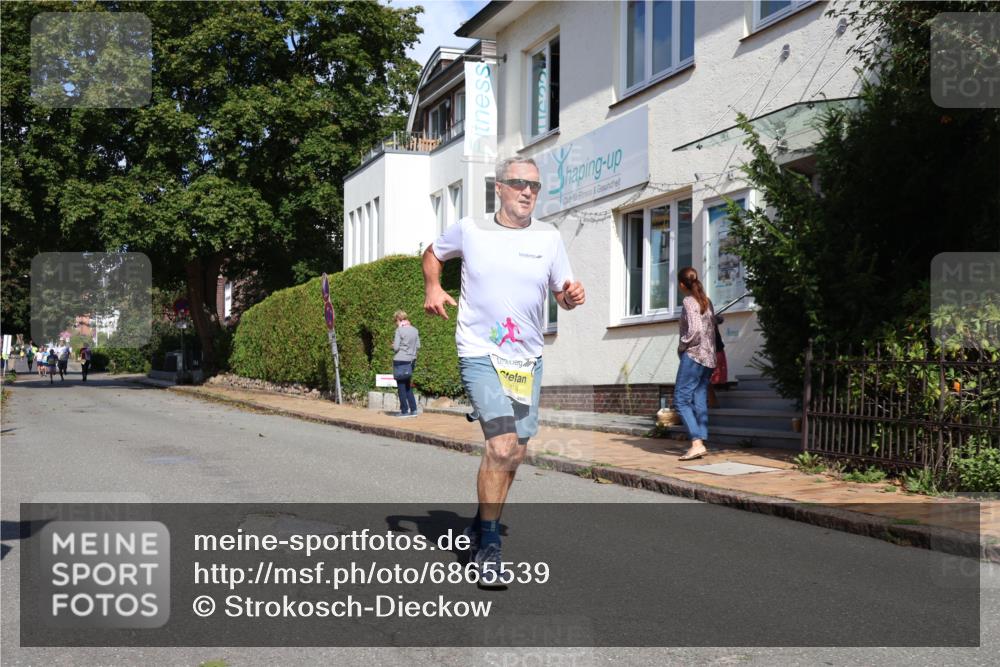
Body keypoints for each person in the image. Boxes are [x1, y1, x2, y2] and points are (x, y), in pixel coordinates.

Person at [423, 156, 585, 586]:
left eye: (534, 185)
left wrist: (571, 296)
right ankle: (489, 548)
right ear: (499, 187)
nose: (527, 191)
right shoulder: (471, 229)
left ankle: (480, 525)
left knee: (515, 452)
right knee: (501, 445)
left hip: (527, 361)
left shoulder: (549, 238)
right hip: (480, 354)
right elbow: (433, 254)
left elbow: (562, 293)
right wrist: (433, 285)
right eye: (518, 183)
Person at [674, 267, 718, 461]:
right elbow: (713, 324)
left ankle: (696, 442)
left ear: (682, 284)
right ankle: (701, 439)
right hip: (709, 358)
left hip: (694, 356)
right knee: (699, 396)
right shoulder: (706, 301)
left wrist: (682, 345)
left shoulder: (688, 301)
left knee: (681, 399)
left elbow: (694, 330)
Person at [391, 311, 421, 417]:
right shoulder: (415, 330)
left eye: (395, 321)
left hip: (400, 359)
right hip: (411, 361)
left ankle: (404, 411)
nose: (395, 323)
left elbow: (396, 348)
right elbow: (418, 346)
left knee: (401, 386)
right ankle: (413, 410)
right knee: (407, 385)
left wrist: (393, 345)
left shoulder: (399, 330)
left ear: (398, 319)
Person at [707, 315, 727, 408]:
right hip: (713, 349)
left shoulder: (709, 319)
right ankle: (718, 385)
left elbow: (720, 319)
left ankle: (719, 385)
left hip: (717, 349)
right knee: (717, 368)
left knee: (719, 368)